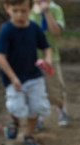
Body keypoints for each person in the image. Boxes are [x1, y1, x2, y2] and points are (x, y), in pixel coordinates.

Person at [0, 0, 52, 145]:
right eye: (16, 11)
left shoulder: (34, 28)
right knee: (16, 106)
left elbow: (46, 47)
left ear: (30, 9)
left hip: (34, 77)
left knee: (36, 107)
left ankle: (28, 135)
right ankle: (14, 121)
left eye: (23, 11)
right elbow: (0, 56)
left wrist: (48, 59)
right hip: (14, 79)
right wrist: (13, 78)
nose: (20, 15)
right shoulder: (7, 31)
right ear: (7, 9)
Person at [29, 0, 69, 129]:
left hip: (51, 57)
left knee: (54, 87)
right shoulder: (27, 8)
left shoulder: (55, 9)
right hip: (30, 57)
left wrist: (46, 12)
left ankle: (62, 110)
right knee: (33, 89)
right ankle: (37, 118)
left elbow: (56, 32)